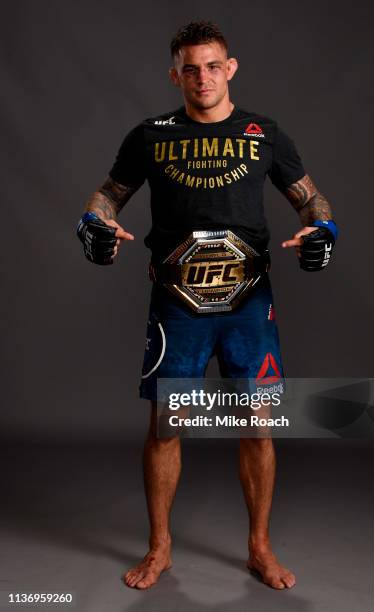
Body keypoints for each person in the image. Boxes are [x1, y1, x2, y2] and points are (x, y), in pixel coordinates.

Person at [77, 20, 337, 591]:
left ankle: (259, 548)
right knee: (168, 424)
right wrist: (93, 221)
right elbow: (107, 195)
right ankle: (160, 547)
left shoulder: (263, 134)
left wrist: (324, 229)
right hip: (177, 303)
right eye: (190, 68)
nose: (203, 77)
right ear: (176, 75)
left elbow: (311, 199)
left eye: (213, 65)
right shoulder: (151, 135)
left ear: (231, 68)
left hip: (250, 300)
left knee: (257, 424)